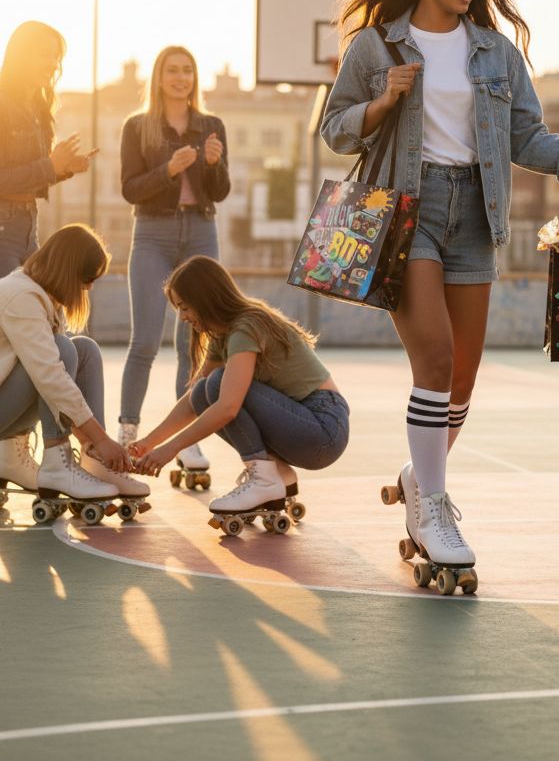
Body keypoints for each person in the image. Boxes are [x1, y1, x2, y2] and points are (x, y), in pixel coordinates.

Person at [320, 0, 559, 585]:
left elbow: (529, 138)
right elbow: (336, 131)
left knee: (462, 378)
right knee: (433, 357)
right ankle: (432, 510)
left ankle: (418, 477)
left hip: (476, 212)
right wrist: (381, 103)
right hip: (407, 213)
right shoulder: (376, 46)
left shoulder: (496, 53)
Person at [128, 256, 349, 523]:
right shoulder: (222, 334)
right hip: (303, 424)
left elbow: (228, 407)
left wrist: (170, 450)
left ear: (205, 299)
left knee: (220, 384)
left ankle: (264, 480)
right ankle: (277, 474)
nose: (183, 317)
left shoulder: (247, 326)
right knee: (203, 391)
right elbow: (194, 400)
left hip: (323, 428)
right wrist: (148, 444)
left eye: (185, 308)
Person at [118, 46, 230, 484]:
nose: (181, 78)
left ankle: (187, 439)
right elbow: (129, 189)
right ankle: (128, 431)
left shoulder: (212, 125)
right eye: (172, 71)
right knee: (144, 339)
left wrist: (214, 165)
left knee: (194, 342)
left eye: (187, 70)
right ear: (159, 77)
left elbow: (219, 192)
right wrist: (168, 169)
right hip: (153, 232)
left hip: (201, 231)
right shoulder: (137, 127)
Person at [0, 224, 145, 515]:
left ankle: (95, 464)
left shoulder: (45, 295)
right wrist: (102, 439)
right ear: (68, 270)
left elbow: (60, 385)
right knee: (62, 350)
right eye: (87, 278)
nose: (89, 287)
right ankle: (57, 461)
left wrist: (93, 444)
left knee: (84, 350)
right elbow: (50, 377)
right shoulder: (20, 295)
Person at [0, 21, 96, 278]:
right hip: (3, 227)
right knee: (13, 313)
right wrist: (51, 166)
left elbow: (32, 177)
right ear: (23, 55)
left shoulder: (39, 108)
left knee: (34, 311)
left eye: (57, 57)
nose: (53, 63)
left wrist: (63, 169)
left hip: (28, 225)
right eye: (45, 55)